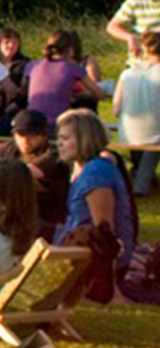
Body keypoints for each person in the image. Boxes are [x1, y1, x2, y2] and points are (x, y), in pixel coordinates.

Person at [54, 109, 137, 272]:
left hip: (93, 261)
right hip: (80, 250)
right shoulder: (85, 169)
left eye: (65, 138)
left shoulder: (97, 173)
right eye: (58, 138)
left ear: (85, 139)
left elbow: (105, 233)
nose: (59, 144)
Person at [0, 109, 71, 241]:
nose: (26, 140)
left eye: (32, 135)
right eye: (21, 134)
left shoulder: (54, 155)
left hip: (46, 223)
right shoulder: (6, 150)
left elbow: (25, 173)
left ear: (44, 135)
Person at [114, 31, 160, 195]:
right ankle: (141, 184)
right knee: (153, 138)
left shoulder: (127, 74)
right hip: (152, 138)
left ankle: (140, 176)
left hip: (127, 135)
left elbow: (115, 110)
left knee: (147, 136)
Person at [24, 30, 101, 125]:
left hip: (32, 121)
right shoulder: (72, 68)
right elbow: (98, 93)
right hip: (58, 123)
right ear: (69, 49)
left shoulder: (32, 65)